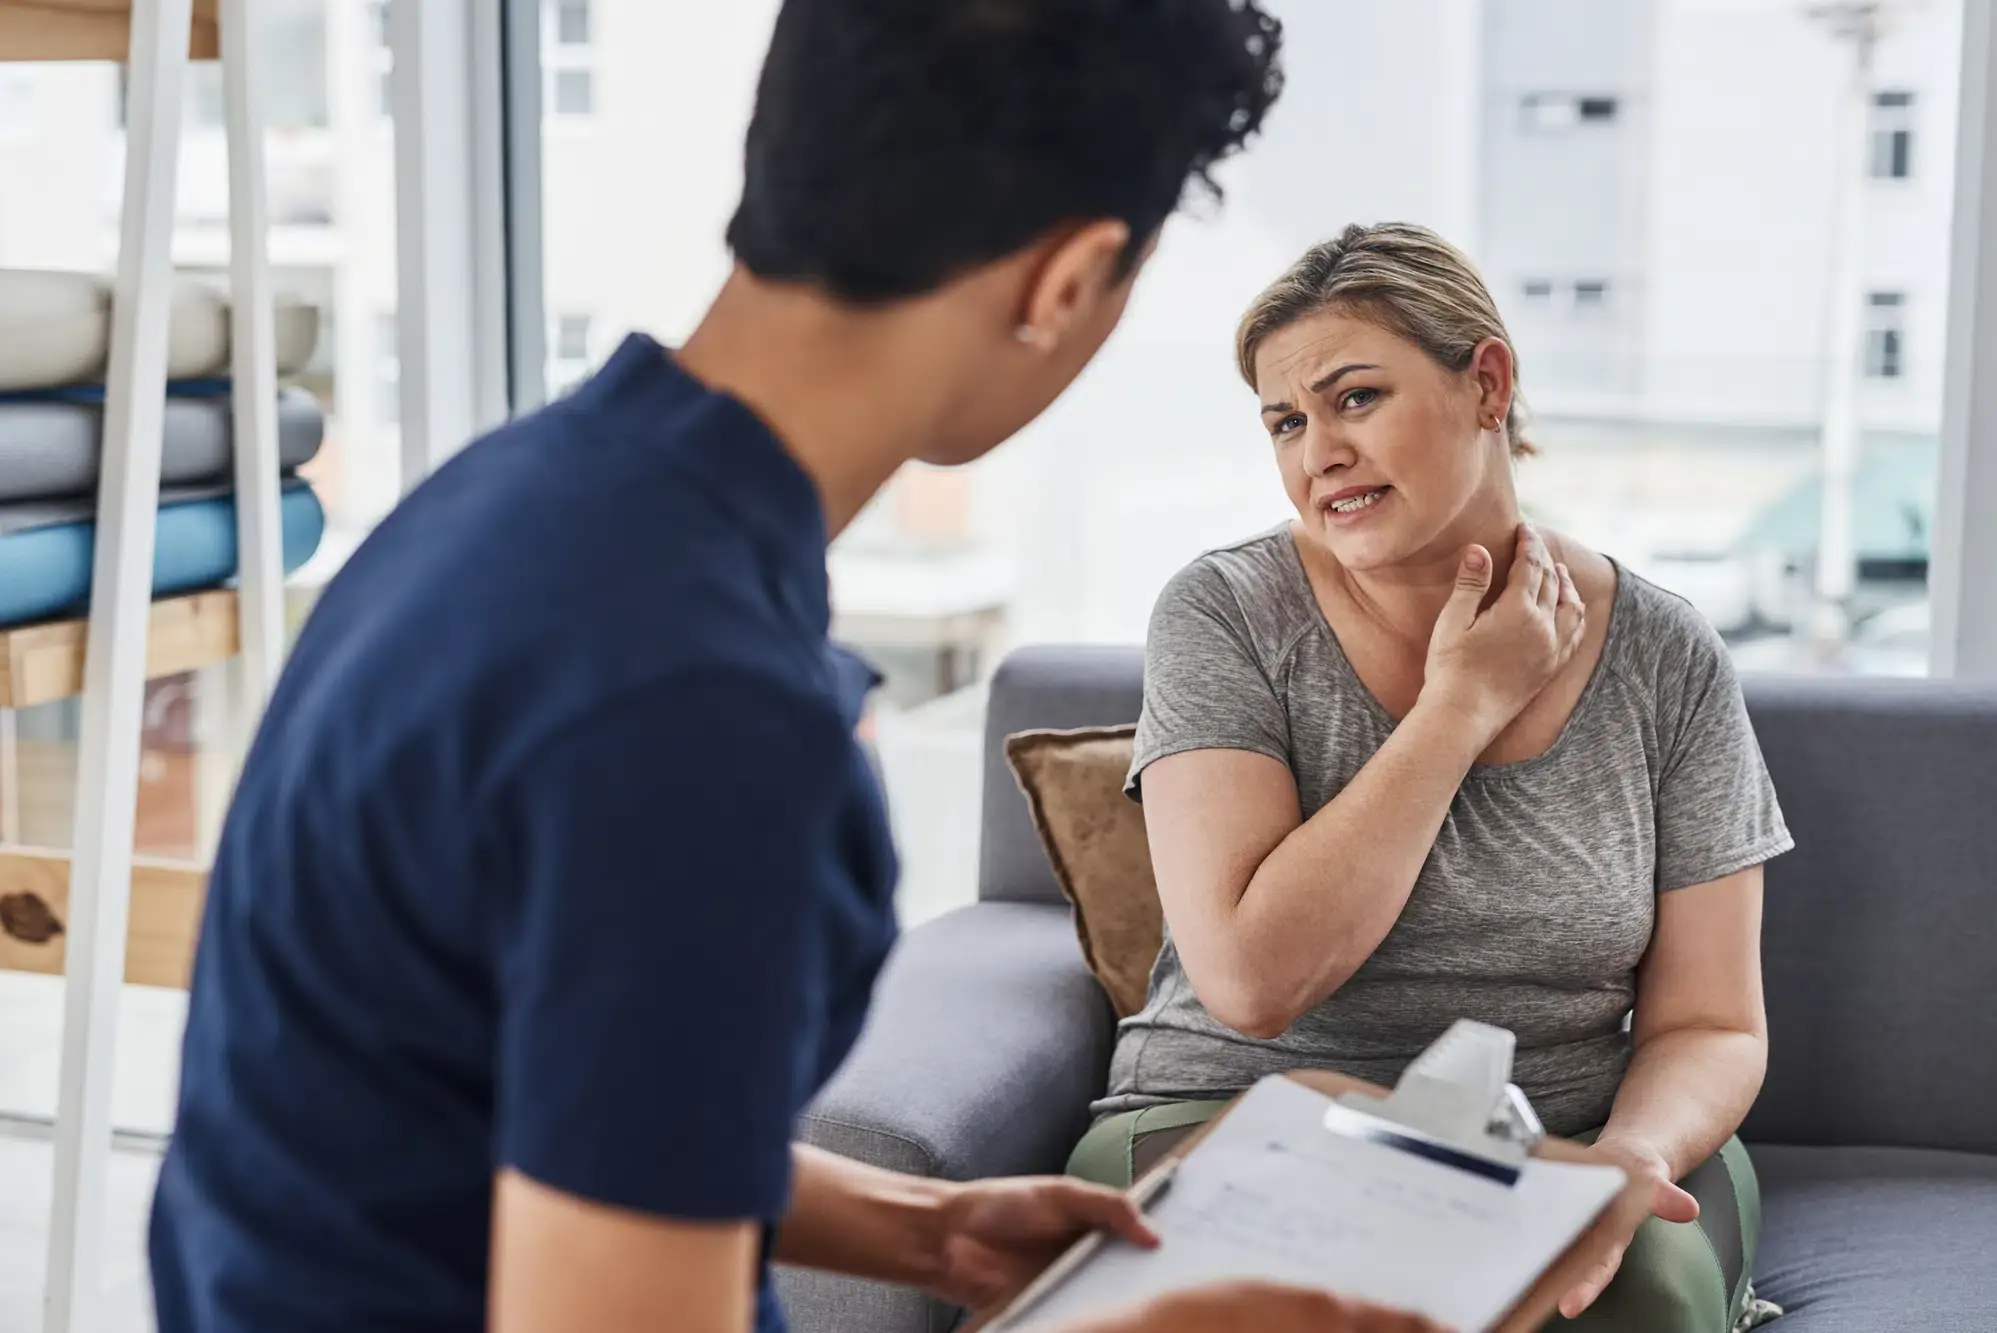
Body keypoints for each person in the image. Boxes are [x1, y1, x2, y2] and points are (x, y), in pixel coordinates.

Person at [146, 5, 1441, 1333]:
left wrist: (931, 1227)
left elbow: (503, 1106)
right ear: (1064, 281)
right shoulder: (711, 718)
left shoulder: (515, 500)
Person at [1067, 223, 1793, 1333]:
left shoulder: (1662, 653)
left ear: (1486, 383)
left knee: (1634, 1303)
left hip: (1561, 1135)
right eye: (1284, 422)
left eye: (1353, 398)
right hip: (1235, 1106)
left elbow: (1709, 1020)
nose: (1318, 453)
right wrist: (1458, 708)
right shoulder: (1222, 614)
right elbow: (1255, 980)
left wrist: (1622, 1163)